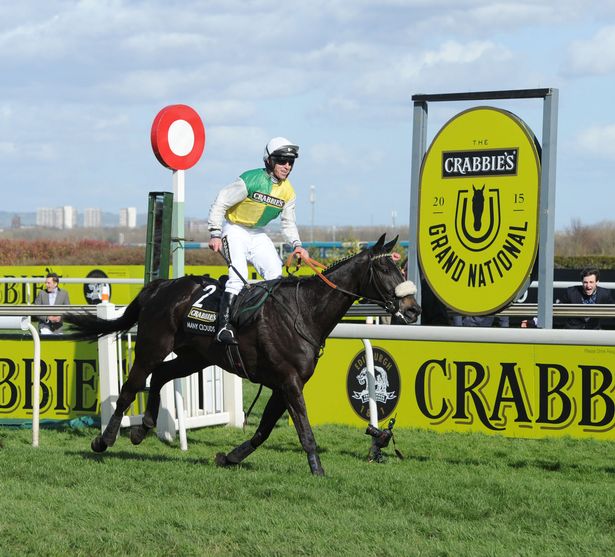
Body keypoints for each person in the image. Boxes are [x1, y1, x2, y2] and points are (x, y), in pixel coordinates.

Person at [208, 137, 309, 344]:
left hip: (258, 233)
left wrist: (297, 245)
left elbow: (288, 223)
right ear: (269, 161)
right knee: (239, 276)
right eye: (282, 160)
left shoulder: (288, 192)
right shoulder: (249, 179)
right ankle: (223, 326)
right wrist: (215, 233)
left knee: (275, 275)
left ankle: (265, 323)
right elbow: (221, 202)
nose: (287, 166)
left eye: (291, 162)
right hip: (234, 229)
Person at [521, 267, 614, 329]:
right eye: (585, 282)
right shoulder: (571, 292)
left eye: (591, 282)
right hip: (572, 333)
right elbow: (554, 311)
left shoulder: (605, 294)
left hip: (594, 332)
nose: (588, 285)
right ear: (582, 282)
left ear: (597, 282)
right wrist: (532, 322)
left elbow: (612, 311)